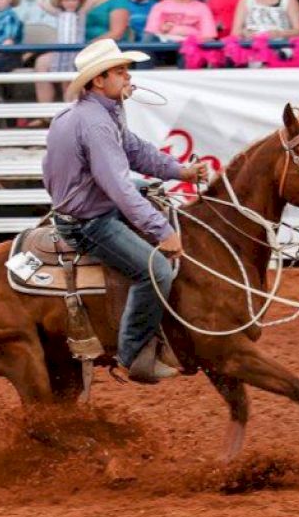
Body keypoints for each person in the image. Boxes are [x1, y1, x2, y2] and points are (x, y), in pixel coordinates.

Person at [44, 39, 208, 383]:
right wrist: (163, 232)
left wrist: (180, 171)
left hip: (92, 202)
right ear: (99, 80)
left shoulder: (104, 111)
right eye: (120, 71)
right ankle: (132, 354)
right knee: (156, 271)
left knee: (155, 201)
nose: (127, 77)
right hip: (89, 222)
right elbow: (118, 186)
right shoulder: (95, 122)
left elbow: (135, 150)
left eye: (125, 70)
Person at [34, 0, 87, 106]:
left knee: (71, 85)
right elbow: (41, 2)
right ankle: (54, 113)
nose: (70, 3)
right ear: (61, 2)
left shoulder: (81, 14)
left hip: (75, 53)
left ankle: (71, 112)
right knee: (63, 80)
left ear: (79, 1)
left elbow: (90, 1)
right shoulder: (58, 13)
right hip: (61, 53)